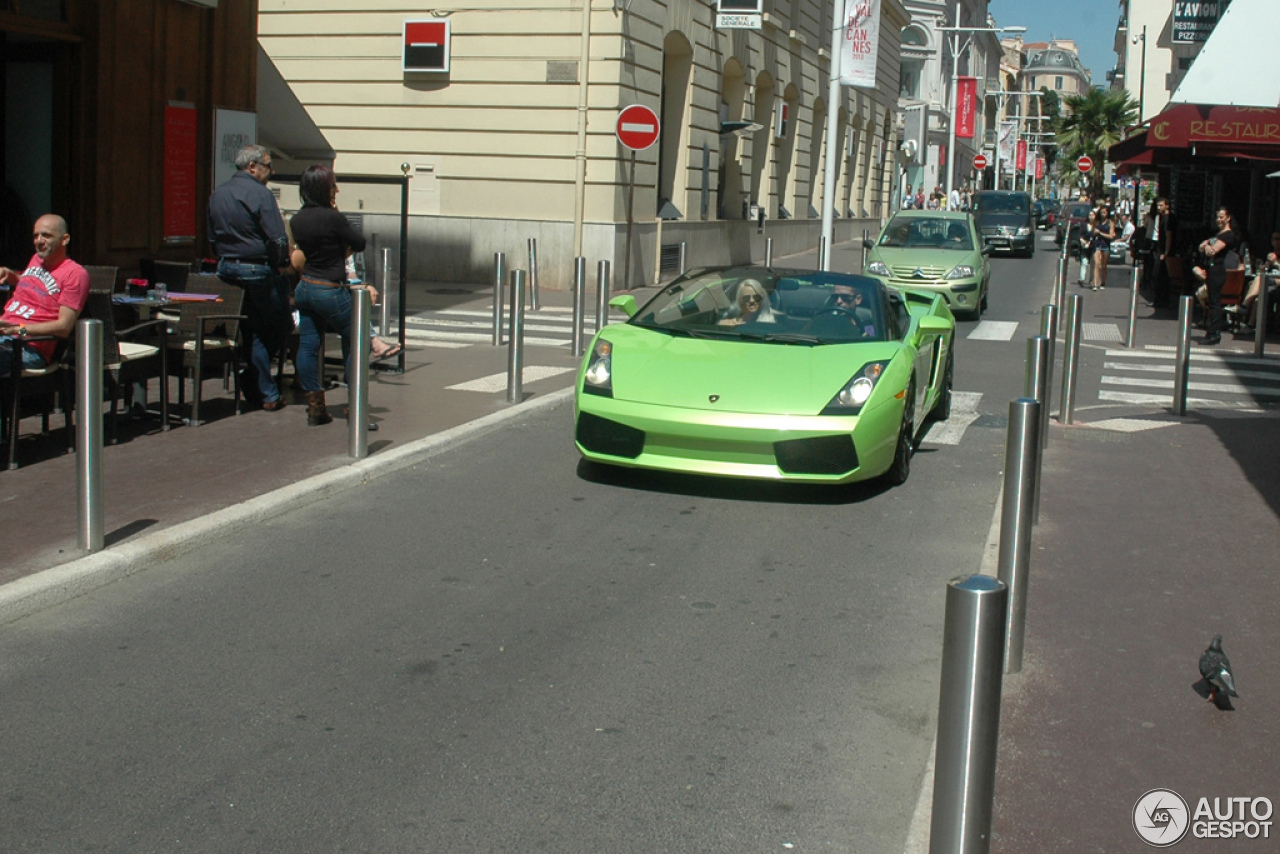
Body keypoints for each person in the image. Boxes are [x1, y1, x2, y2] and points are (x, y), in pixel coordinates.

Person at [289, 164, 380, 427]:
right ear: (323, 188)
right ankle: (356, 405)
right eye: (333, 185)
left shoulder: (297, 220)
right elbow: (359, 242)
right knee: (357, 340)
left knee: (308, 345)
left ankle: (315, 405)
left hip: (305, 286)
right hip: (330, 288)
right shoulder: (333, 218)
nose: (337, 189)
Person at [207, 144, 294, 411]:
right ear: (252, 167)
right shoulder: (260, 194)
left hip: (227, 269)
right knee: (281, 324)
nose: (271, 171)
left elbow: (212, 236)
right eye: (268, 166)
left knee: (251, 328)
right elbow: (277, 237)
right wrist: (282, 266)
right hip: (257, 269)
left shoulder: (218, 194)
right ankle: (256, 381)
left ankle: (261, 388)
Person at [0, 214, 90, 377]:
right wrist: (12, 276)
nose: (39, 241)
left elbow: (63, 327)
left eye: (46, 235)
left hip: (30, 347)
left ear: (65, 239)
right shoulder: (37, 260)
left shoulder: (75, 274)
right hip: (6, 338)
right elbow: (35, 285)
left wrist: (15, 329)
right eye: (36, 235)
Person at [1195, 206, 1242, 346]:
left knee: (1215, 303)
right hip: (1212, 269)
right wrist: (1206, 246)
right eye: (1217, 217)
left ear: (1228, 218)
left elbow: (1213, 250)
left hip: (1218, 270)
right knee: (1212, 300)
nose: (1219, 220)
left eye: (1221, 217)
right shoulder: (1218, 234)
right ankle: (1212, 331)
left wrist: (1208, 247)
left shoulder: (1228, 234)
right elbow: (1201, 246)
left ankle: (1214, 333)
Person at [1239, 230, 1280, 331]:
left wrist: (1276, 263)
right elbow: (1263, 271)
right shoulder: (1272, 254)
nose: (1275, 241)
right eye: (1273, 239)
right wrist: (1266, 265)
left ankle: (1244, 306)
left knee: (1258, 280)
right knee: (1257, 295)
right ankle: (1250, 325)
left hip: (1277, 284)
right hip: (1270, 282)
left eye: (1277, 239)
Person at [1146, 197, 1176, 307]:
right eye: (1158, 206)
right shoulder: (1162, 218)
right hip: (1161, 248)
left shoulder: (1168, 219)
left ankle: (1161, 299)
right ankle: (1160, 299)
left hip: (1164, 251)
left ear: (1167, 206)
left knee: (1159, 274)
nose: (1159, 208)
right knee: (1159, 275)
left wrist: (1166, 252)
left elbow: (1169, 236)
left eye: (1161, 205)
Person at [1090, 205, 1117, 290]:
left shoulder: (1110, 223)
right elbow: (1092, 232)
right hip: (1097, 244)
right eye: (1101, 212)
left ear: (1107, 213)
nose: (1102, 214)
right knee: (1097, 264)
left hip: (1105, 245)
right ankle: (1095, 283)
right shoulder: (1097, 222)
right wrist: (1094, 233)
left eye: (1104, 212)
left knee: (1103, 265)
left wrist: (1100, 233)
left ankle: (1103, 282)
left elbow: (1111, 236)